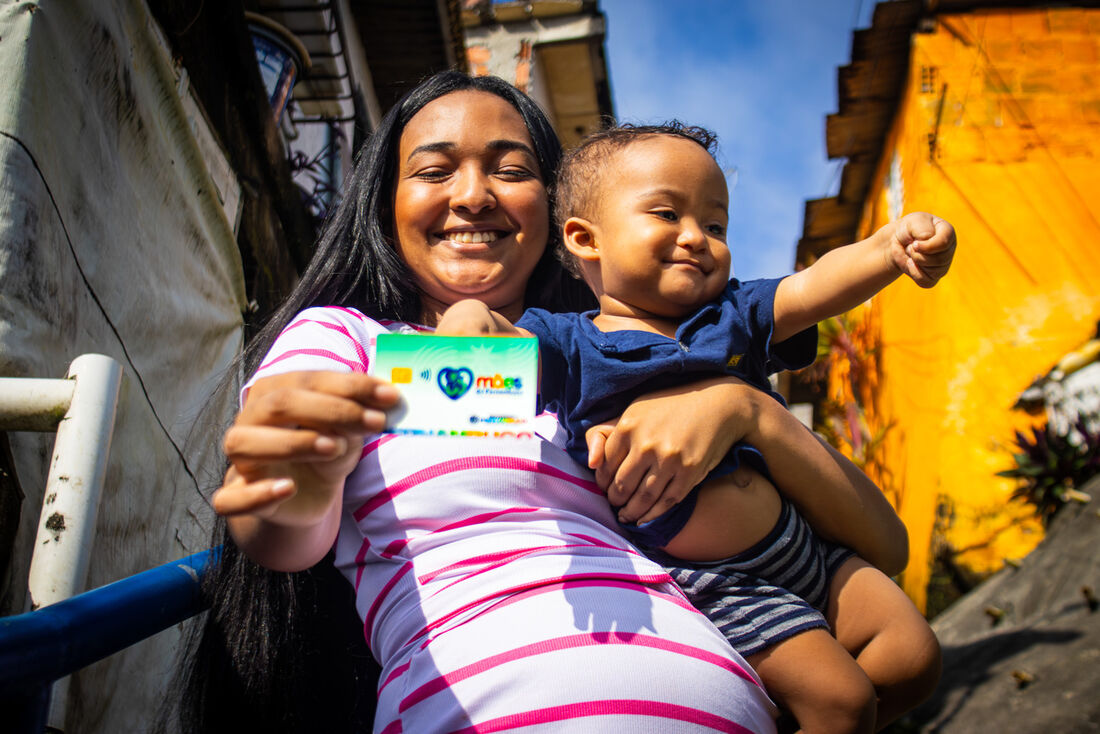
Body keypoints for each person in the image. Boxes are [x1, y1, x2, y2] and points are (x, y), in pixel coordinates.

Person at [171, 71, 911, 734]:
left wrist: (745, 412)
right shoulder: (357, 341)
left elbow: (883, 550)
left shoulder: (638, 355)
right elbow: (285, 532)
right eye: (434, 170)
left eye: (512, 170)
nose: (472, 195)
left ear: (563, 215)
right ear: (384, 204)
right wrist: (288, 471)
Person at [435, 122, 948, 733]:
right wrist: (466, 319)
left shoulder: (730, 313)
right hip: (727, 585)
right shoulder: (570, 342)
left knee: (915, 658)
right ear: (584, 238)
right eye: (666, 213)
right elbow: (487, 353)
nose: (696, 238)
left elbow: (813, 286)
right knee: (843, 703)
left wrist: (890, 245)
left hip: (810, 546)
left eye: (715, 225)